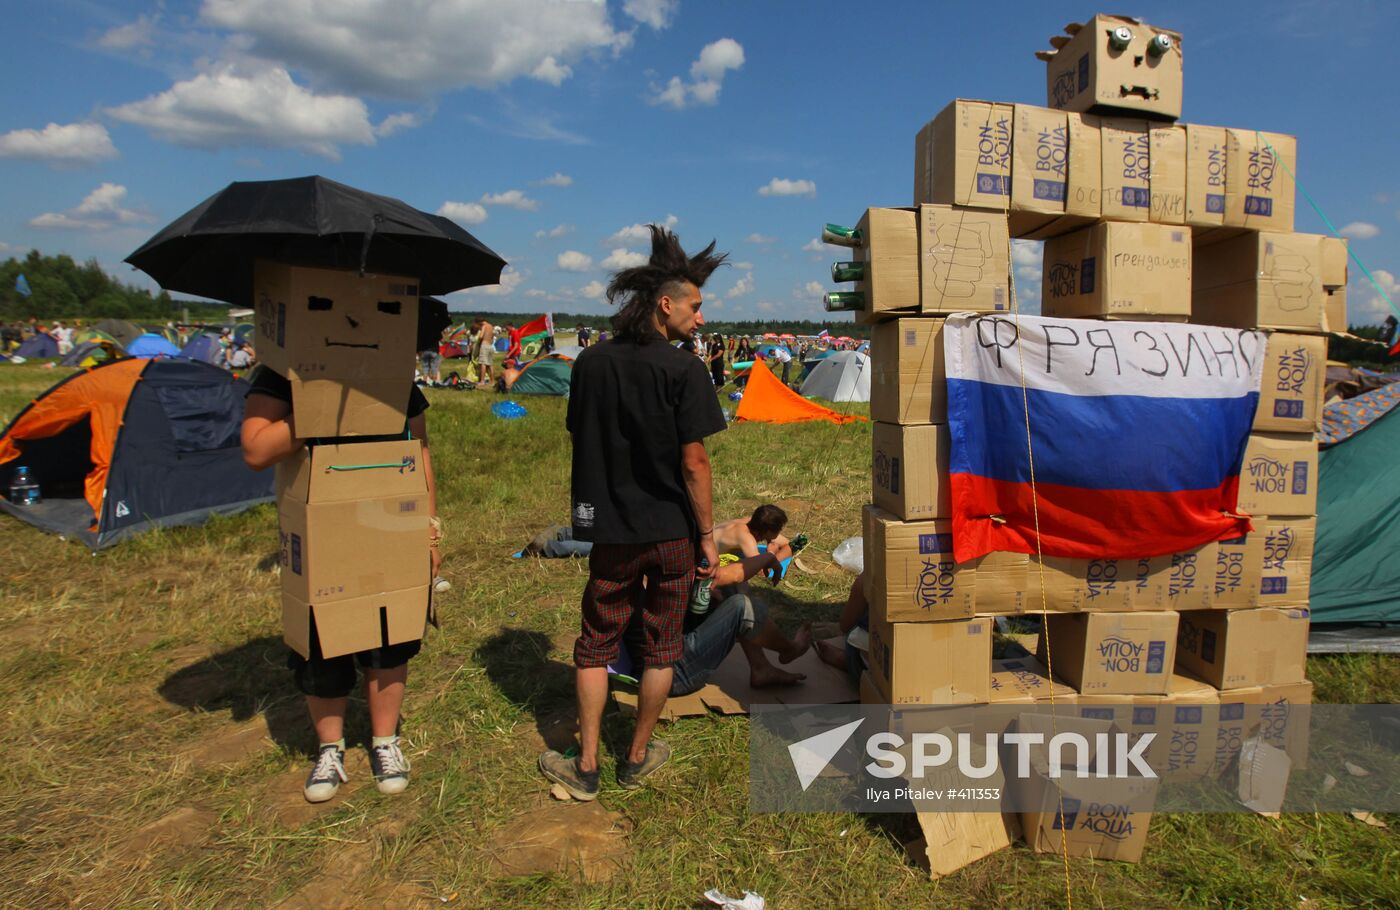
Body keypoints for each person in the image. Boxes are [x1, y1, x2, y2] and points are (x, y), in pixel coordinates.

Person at [538, 224, 728, 801]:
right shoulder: (684, 370)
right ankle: (637, 755)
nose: (700, 319)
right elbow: (694, 464)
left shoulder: (589, 365)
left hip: (611, 532)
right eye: (695, 307)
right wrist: (708, 536)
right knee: (661, 645)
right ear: (665, 304)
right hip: (671, 532)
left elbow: (582, 437)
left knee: (596, 642)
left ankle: (587, 763)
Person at [240, 300, 450, 804]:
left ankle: (385, 741)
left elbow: (418, 452)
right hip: (321, 530)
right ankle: (330, 749)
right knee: (320, 641)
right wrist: (317, 410)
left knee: (391, 637)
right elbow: (254, 449)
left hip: (389, 523)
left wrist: (429, 526)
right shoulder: (281, 375)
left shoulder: (392, 377)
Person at [666, 550, 812, 693]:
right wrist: (767, 558)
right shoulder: (664, 544)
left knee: (729, 589)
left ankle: (761, 668)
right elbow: (730, 575)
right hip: (670, 671)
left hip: (672, 646)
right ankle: (790, 650)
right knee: (743, 606)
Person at [713, 504, 794, 564]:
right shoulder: (746, 537)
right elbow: (758, 570)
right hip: (704, 559)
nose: (780, 530)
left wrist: (776, 559)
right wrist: (771, 554)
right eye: (779, 528)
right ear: (768, 532)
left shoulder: (757, 524)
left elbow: (789, 545)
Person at [476, 318, 495, 385]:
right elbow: (492, 336)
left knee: (483, 363)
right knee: (490, 364)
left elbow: (481, 336)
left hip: (484, 345)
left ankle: (482, 381)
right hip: (490, 346)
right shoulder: (491, 326)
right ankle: (492, 381)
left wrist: (478, 342)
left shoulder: (484, 326)